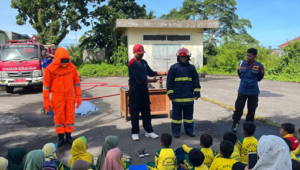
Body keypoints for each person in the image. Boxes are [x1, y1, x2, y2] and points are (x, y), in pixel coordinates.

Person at [128, 44, 168, 141]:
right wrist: (152, 81)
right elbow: (139, 79)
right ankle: (135, 132)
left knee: (146, 111)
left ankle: (149, 131)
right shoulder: (132, 63)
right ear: (134, 53)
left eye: (142, 53)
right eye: (139, 53)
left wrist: (165, 72)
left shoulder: (144, 62)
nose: (141, 55)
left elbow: (151, 72)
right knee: (135, 112)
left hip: (144, 91)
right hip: (135, 90)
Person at [43, 47, 82, 147]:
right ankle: (61, 138)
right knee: (59, 117)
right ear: (57, 59)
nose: (64, 64)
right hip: (57, 97)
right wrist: (46, 100)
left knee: (70, 116)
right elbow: (46, 86)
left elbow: (76, 82)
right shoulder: (50, 69)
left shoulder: (72, 67)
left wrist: (78, 95)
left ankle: (68, 136)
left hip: (69, 96)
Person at [167, 47, 201, 138]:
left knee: (189, 117)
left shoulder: (191, 68)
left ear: (188, 57)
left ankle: (189, 131)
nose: (183, 59)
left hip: (189, 97)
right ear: (178, 58)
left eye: (185, 57)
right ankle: (176, 132)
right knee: (176, 117)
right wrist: (171, 94)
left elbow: (196, 81)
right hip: (177, 98)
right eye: (181, 57)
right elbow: (169, 82)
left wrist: (197, 93)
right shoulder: (174, 68)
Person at [231, 48, 264, 133]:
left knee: (251, 110)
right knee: (238, 108)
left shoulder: (259, 66)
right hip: (242, 90)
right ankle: (235, 125)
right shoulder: (241, 64)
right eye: (247, 55)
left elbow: (260, 77)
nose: (248, 57)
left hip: (253, 92)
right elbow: (240, 74)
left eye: (250, 56)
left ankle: (248, 128)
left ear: (255, 56)